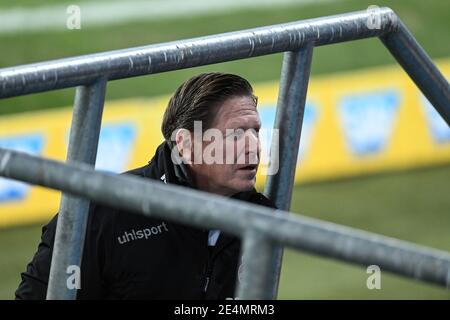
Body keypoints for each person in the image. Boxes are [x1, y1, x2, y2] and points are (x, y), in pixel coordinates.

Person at [15, 72, 276, 300]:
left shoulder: (262, 218)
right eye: (235, 135)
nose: (254, 147)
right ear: (185, 145)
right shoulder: (100, 217)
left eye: (255, 131)